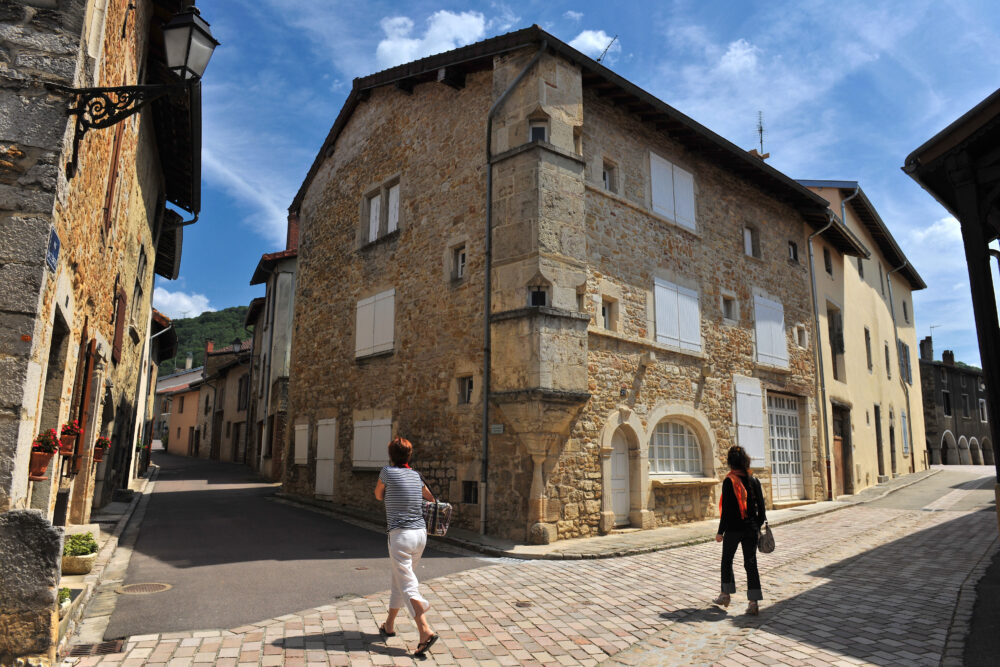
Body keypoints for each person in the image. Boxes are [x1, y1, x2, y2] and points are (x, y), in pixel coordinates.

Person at [374, 436, 439, 657]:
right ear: (409, 456)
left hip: (400, 535)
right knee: (400, 579)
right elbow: (430, 499)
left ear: (391, 455)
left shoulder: (387, 472)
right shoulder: (416, 475)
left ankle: (424, 630)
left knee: (407, 583)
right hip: (420, 535)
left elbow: (377, 494)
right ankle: (389, 624)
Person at [714, 444, 766, 615]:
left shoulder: (729, 481)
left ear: (730, 462)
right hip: (750, 528)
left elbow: (727, 511)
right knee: (751, 564)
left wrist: (721, 532)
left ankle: (725, 594)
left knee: (727, 560)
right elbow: (762, 509)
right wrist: (756, 525)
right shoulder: (754, 480)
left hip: (734, 529)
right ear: (745, 461)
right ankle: (753, 603)